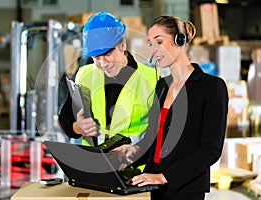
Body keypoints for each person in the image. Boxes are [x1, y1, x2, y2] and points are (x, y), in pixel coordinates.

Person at [114, 15, 229, 200]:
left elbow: (211, 149)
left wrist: (164, 177)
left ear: (180, 40)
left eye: (159, 42)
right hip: (152, 185)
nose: (154, 50)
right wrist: (132, 152)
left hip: (184, 189)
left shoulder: (211, 87)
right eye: (151, 44)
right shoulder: (162, 86)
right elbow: (153, 138)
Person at [58, 12, 158, 148]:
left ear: (122, 45)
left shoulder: (152, 78)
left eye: (107, 54)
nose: (103, 63)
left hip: (135, 167)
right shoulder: (85, 75)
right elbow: (65, 118)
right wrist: (78, 127)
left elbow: (161, 134)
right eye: (96, 58)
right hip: (95, 165)